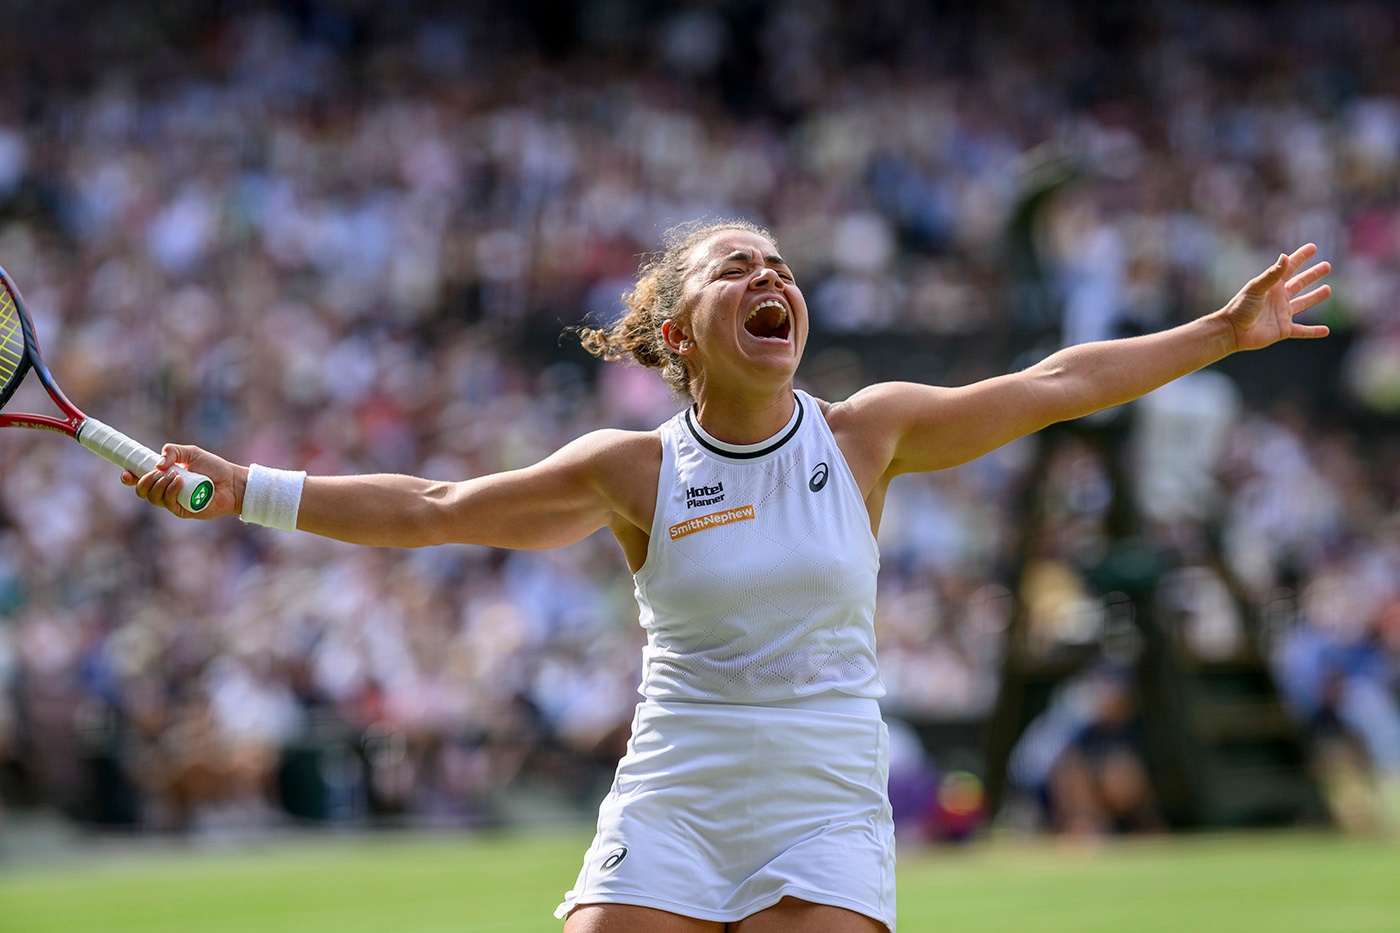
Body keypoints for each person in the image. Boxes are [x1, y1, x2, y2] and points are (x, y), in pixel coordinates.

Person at [128, 218, 1331, 932]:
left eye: (779, 267)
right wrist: (247, 488)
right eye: (734, 268)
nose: (769, 279)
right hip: (675, 792)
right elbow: (435, 510)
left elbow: (1055, 384)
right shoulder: (630, 470)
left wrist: (1220, 333)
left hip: (824, 797)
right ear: (673, 334)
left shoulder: (867, 433)